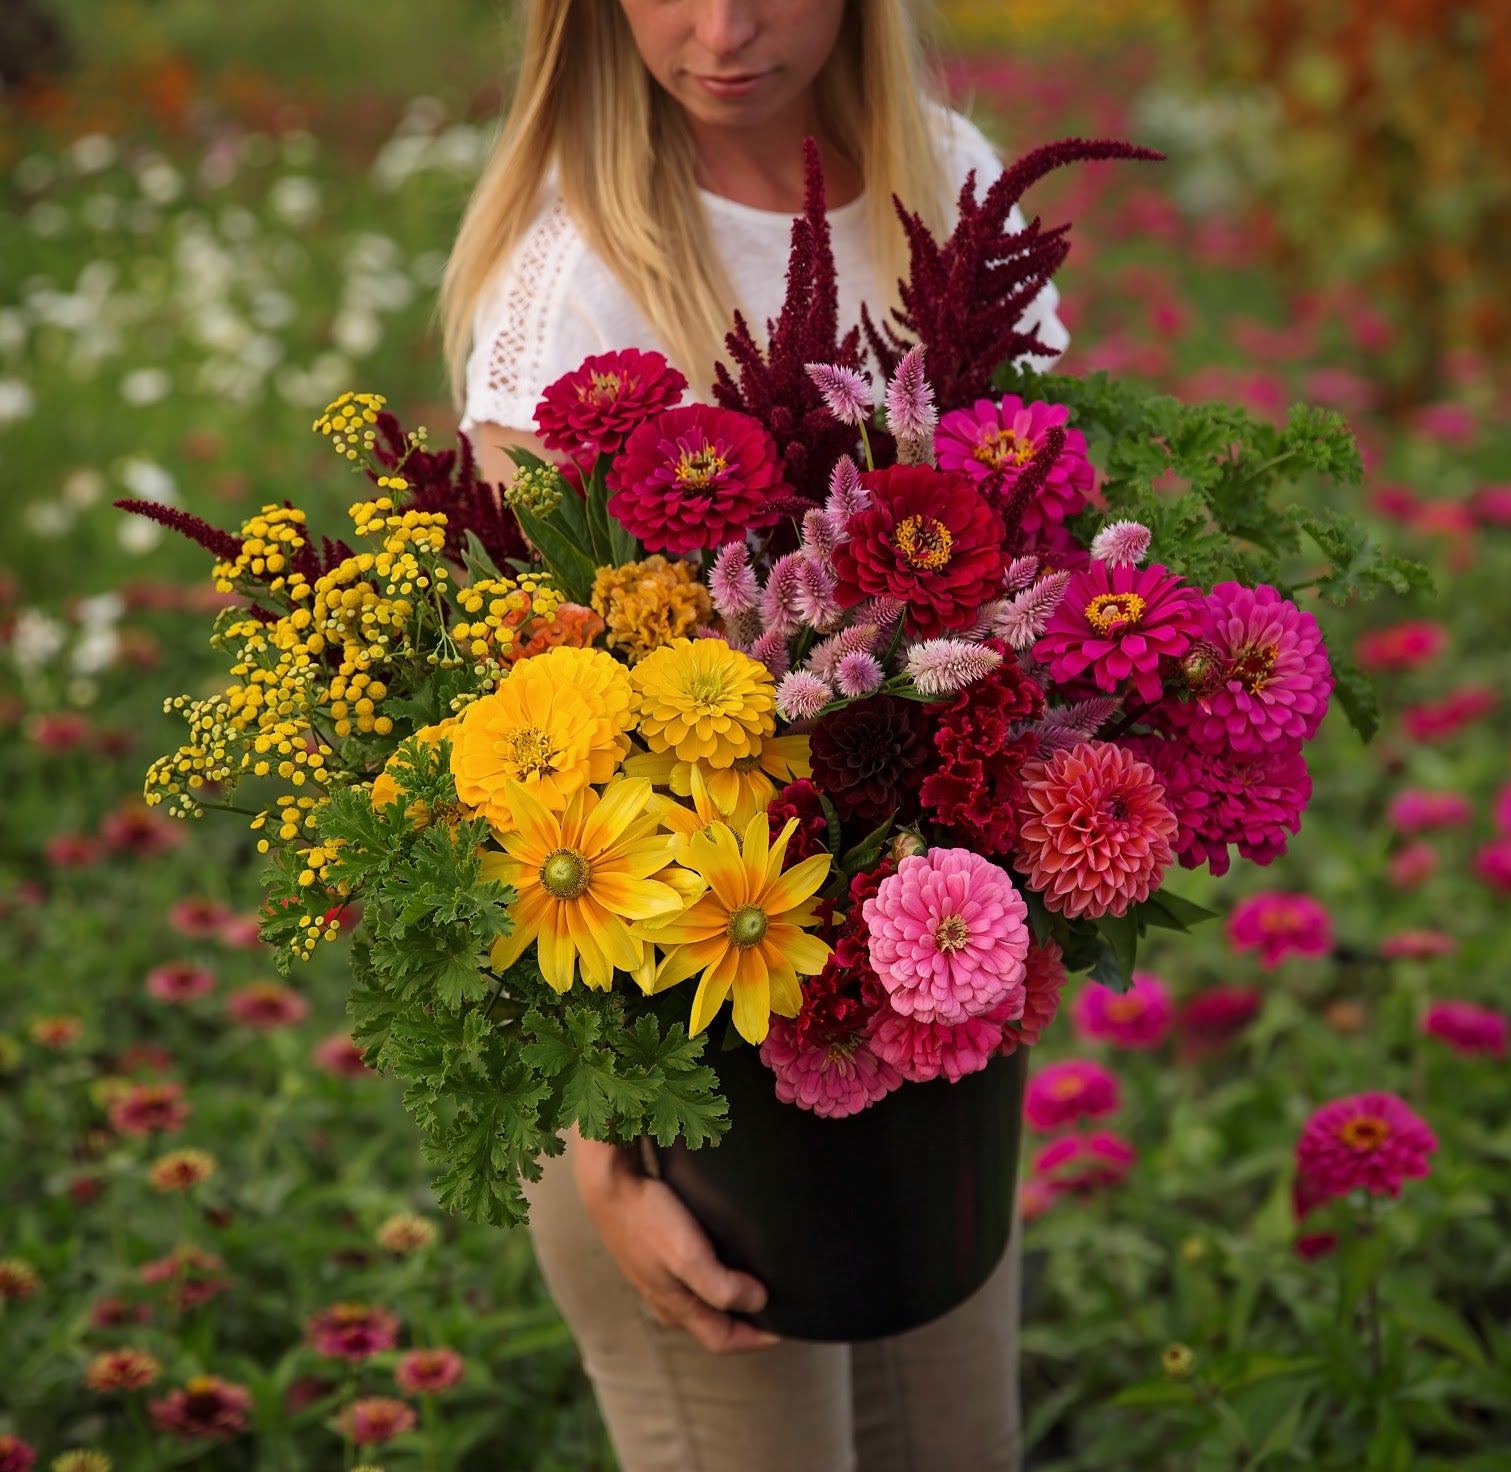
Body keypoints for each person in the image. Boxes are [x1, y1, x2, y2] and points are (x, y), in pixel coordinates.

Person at [436, 3, 1066, 1468]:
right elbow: (535, 769)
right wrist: (606, 1146)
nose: (723, 29)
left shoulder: (950, 186)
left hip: (916, 1026)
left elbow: (1050, 556)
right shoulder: (572, 279)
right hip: (680, 1070)